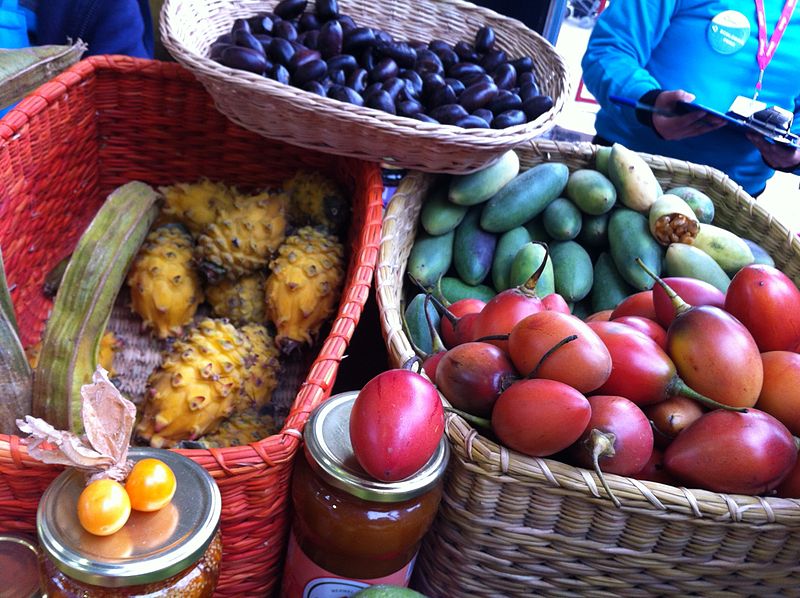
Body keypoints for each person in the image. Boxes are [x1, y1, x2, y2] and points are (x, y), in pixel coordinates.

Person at [580, 0, 800, 197]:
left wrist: (794, 155)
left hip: (733, 202)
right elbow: (608, 51)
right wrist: (649, 103)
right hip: (625, 169)